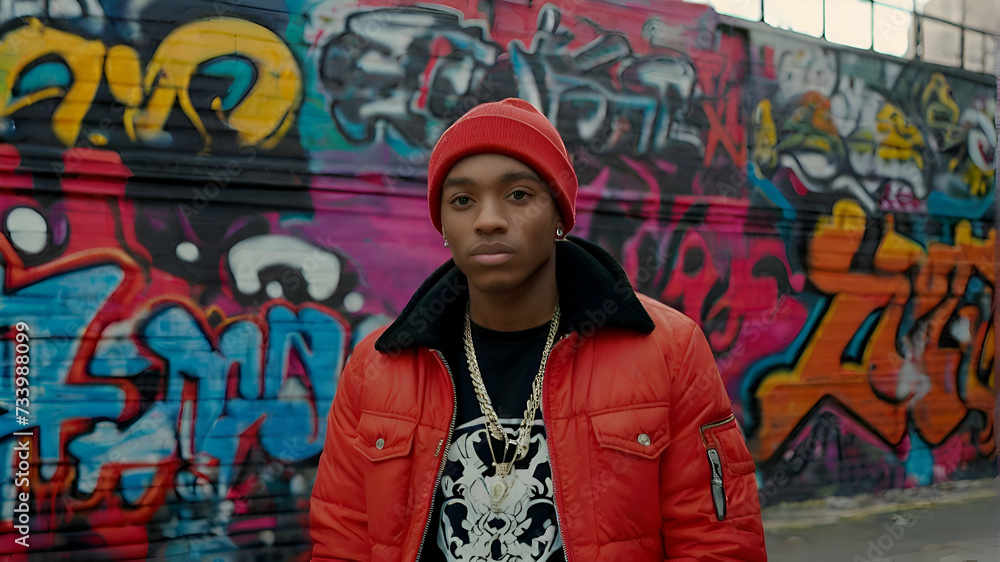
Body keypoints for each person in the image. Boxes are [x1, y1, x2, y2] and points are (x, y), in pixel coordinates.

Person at [310, 98, 767, 561]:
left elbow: (717, 543)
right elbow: (342, 541)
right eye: (463, 200)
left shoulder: (668, 349)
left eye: (519, 195)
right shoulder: (378, 366)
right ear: (443, 224)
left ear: (559, 217)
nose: (488, 220)